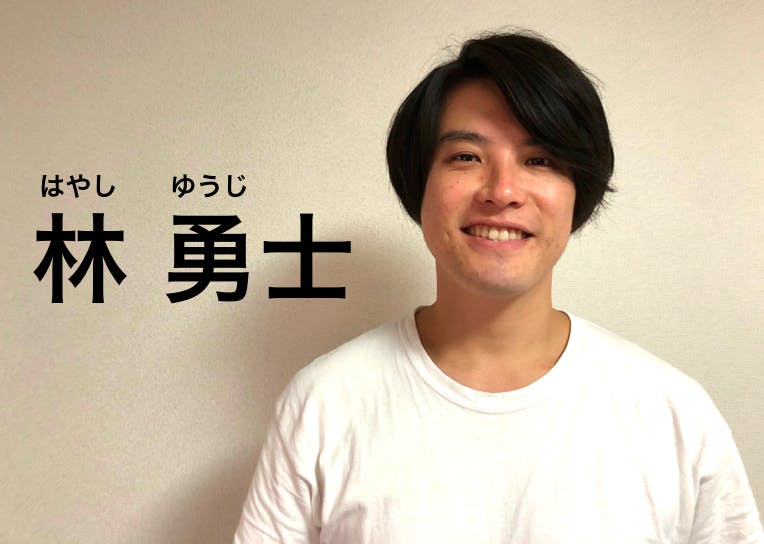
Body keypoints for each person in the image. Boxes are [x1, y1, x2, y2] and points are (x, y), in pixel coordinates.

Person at [234, 30, 763, 543]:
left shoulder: (672, 413)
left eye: (539, 160)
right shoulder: (325, 404)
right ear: (419, 185)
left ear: (577, 193)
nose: (503, 191)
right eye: (466, 156)